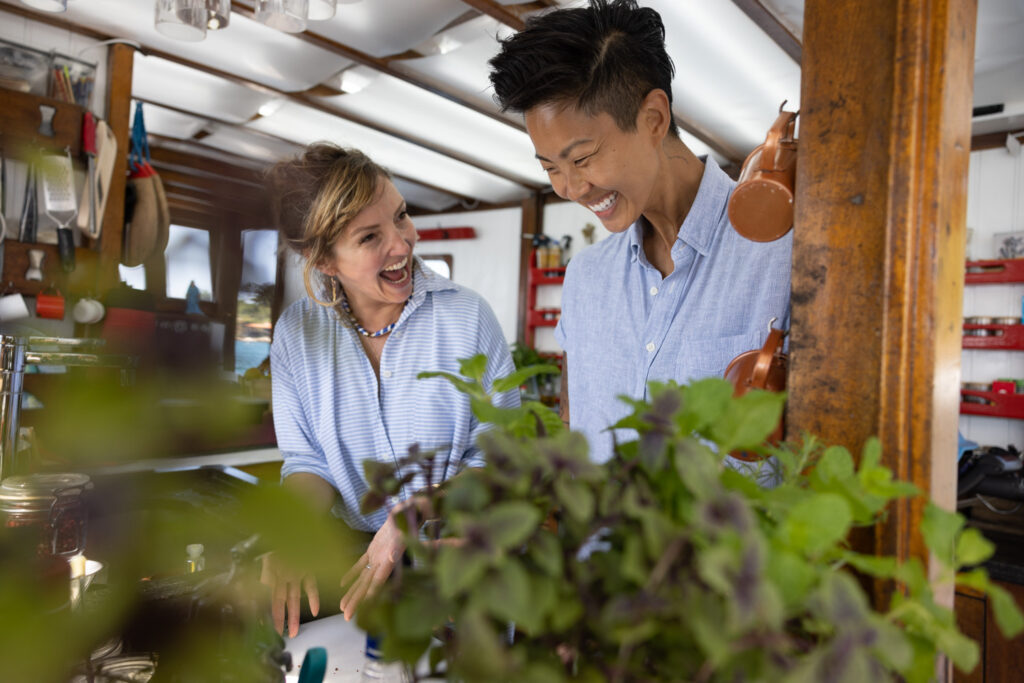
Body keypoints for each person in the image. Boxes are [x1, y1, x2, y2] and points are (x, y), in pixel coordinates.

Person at [488, 0, 791, 464]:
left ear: (653, 119)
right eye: (550, 168)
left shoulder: (780, 255)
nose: (570, 188)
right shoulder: (586, 278)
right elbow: (575, 424)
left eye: (582, 159)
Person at [261, 143, 519, 637]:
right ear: (324, 260)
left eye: (401, 217)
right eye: (370, 237)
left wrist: (411, 517)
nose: (401, 244)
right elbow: (308, 462)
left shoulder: (467, 318)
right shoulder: (297, 332)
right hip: (347, 561)